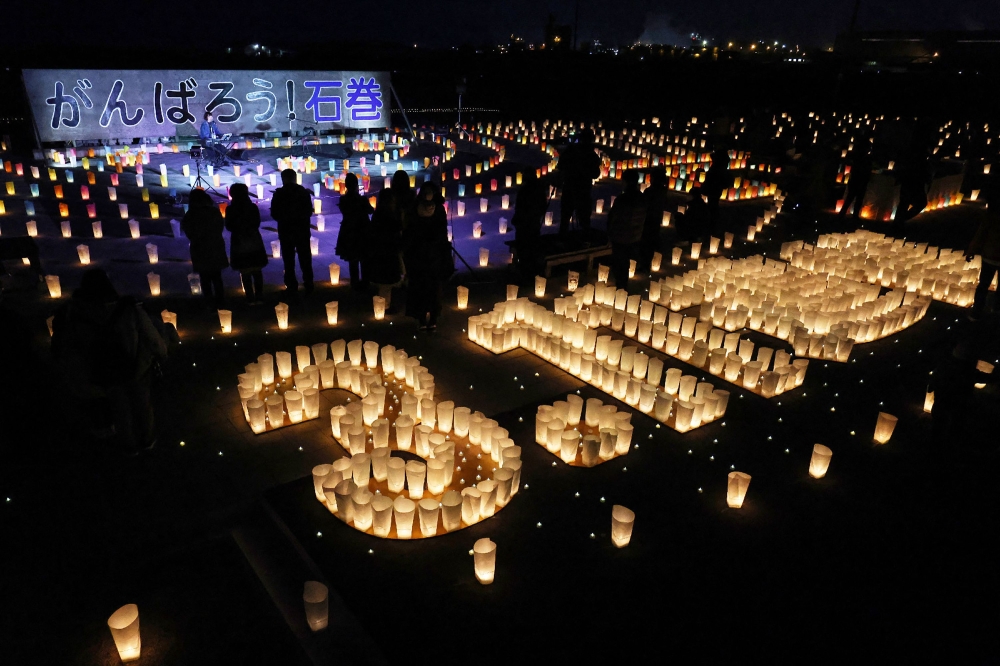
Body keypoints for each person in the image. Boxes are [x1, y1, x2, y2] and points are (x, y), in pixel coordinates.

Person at [51, 269, 167, 455]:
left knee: (120, 407)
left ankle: (128, 445)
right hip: (135, 367)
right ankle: (147, 440)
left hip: (104, 369)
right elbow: (150, 335)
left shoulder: (75, 313)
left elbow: (70, 344)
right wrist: (161, 353)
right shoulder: (128, 308)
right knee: (143, 404)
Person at [403, 182, 453, 330]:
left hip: (434, 256)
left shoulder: (438, 211)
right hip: (419, 256)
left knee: (434, 288)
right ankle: (421, 317)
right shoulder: (414, 210)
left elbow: (442, 233)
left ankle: (433, 318)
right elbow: (409, 232)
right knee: (420, 287)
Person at [929, 339, 994, 448]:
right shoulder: (967, 370)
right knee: (955, 425)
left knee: (939, 424)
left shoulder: (944, 366)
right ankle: (949, 447)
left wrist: (931, 387)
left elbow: (934, 380)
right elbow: (984, 377)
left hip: (942, 401)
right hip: (959, 403)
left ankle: (935, 446)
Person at [365, 170, 413, 309]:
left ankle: (385, 305)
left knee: (387, 280)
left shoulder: (379, 214)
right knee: (391, 278)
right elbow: (397, 227)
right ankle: (385, 306)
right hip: (391, 249)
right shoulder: (391, 214)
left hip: (385, 251)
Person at [270, 168, 314, 297]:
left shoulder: (279, 194)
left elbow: (274, 213)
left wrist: (285, 219)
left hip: (286, 231)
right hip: (302, 230)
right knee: (305, 258)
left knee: (289, 260)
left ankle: (291, 285)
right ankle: (309, 284)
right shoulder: (303, 192)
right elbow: (308, 211)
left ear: (283, 179)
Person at [182, 188, 229, 308]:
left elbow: (188, 231)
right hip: (215, 247)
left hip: (200, 249)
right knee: (217, 276)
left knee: (205, 278)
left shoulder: (190, 215)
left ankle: (210, 303)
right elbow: (220, 227)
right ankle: (221, 302)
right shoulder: (213, 212)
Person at [225, 183, 268, 304]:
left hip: (239, 241)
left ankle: (250, 297)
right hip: (253, 239)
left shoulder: (231, 209)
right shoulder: (252, 207)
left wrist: (239, 230)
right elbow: (257, 222)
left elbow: (229, 226)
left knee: (245, 271)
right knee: (256, 269)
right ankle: (259, 296)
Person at [606, 169, 647, 289]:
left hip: (621, 236)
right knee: (626, 262)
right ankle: (623, 286)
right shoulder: (642, 197)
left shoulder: (623, 199)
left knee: (620, 264)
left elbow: (614, 217)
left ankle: (621, 288)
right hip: (635, 236)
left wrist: (610, 233)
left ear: (626, 182)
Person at [966, 178, 1000, 320]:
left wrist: (971, 250)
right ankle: (996, 310)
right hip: (991, 255)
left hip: (990, 256)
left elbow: (981, 233)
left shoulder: (991, 216)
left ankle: (977, 311)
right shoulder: (991, 217)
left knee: (983, 285)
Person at [557, 128, 602, 235]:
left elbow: (560, 166)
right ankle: (584, 240)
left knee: (565, 218)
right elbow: (595, 174)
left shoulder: (570, 151)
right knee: (584, 219)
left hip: (570, 189)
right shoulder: (592, 156)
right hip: (583, 191)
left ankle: (563, 239)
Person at [336, 173, 374, 290]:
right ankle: (365, 283)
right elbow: (370, 210)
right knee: (364, 258)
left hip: (349, 231)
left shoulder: (343, 199)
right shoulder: (361, 199)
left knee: (353, 259)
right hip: (362, 230)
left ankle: (355, 284)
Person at [510, 171, 549, 277]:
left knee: (524, 244)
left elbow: (519, 207)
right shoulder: (539, 191)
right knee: (532, 243)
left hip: (525, 223)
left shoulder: (524, 191)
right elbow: (543, 206)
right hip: (533, 222)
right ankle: (531, 266)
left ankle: (525, 267)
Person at [640, 168, 669, 270]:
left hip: (648, 219)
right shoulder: (663, 190)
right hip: (656, 218)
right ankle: (649, 261)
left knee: (646, 241)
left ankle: (645, 264)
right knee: (652, 239)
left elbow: (643, 204)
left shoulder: (650, 191)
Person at [839, 148, 872, 223]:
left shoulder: (859, 158)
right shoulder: (863, 159)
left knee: (853, 199)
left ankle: (849, 214)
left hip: (856, 181)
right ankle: (849, 214)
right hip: (858, 181)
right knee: (853, 199)